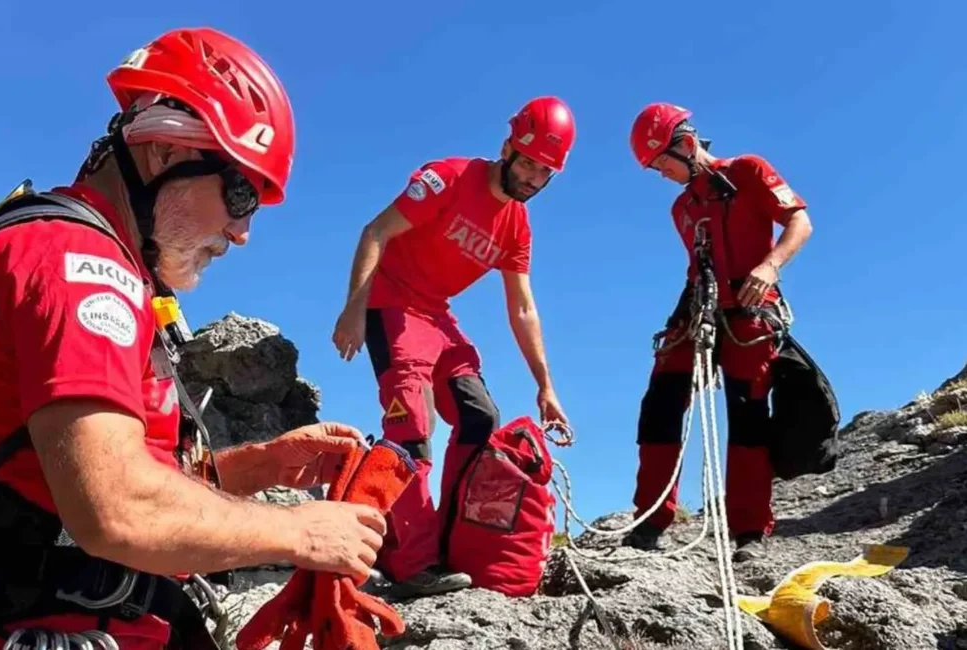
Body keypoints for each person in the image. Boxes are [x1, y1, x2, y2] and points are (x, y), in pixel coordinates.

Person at [0, 27, 388, 650]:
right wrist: (300, 533)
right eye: (241, 194)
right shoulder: (82, 266)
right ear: (166, 152)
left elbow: (92, 474)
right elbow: (115, 506)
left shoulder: (84, 260)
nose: (243, 232)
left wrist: (255, 466)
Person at [330, 97, 576, 596]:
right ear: (507, 148)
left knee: (480, 417)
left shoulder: (518, 226)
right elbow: (375, 231)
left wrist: (546, 386)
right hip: (392, 305)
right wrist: (354, 308)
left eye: (544, 171)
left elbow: (523, 307)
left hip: (438, 316)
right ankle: (409, 561)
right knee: (412, 429)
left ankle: (447, 540)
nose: (531, 177)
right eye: (527, 161)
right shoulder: (448, 178)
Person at [623, 102, 813, 562]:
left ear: (686, 145)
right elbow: (697, 266)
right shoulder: (681, 208)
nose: (661, 174)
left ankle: (749, 531)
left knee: (748, 413)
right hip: (699, 303)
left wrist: (769, 266)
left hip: (750, 306)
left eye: (661, 163)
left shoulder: (748, 171)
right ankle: (651, 519)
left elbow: (799, 221)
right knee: (661, 402)